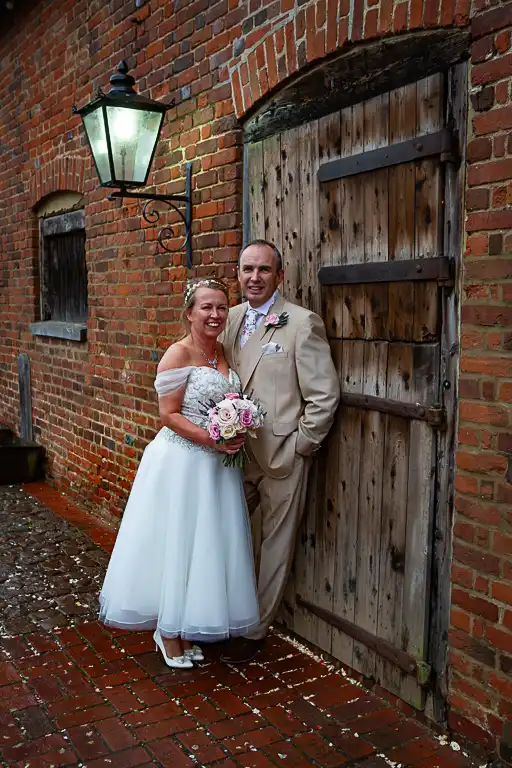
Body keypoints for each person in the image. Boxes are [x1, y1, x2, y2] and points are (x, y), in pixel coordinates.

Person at [99, 279, 260, 668]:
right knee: (178, 542)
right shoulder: (177, 354)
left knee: (204, 545)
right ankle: (167, 633)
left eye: (221, 307)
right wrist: (213, 439)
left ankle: (185, 627)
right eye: (206, 307)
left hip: (216, 468)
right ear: (189, 313)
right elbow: (168, 415)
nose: (215, 314)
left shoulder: (221, 351)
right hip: (183, 463)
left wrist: (235, 430)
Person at [221, 239, 340, 663]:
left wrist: (300, 445)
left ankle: (253, 633)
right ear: (237, 274)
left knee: (274, 546)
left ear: (280, 276)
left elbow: (324, 395)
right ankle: (225, 613)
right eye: (247, 269)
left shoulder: (302, 323)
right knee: (229, 535)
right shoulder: (228, 318)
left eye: (264, 270)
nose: (255, 277)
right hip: (231, 454)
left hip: (280, 456)